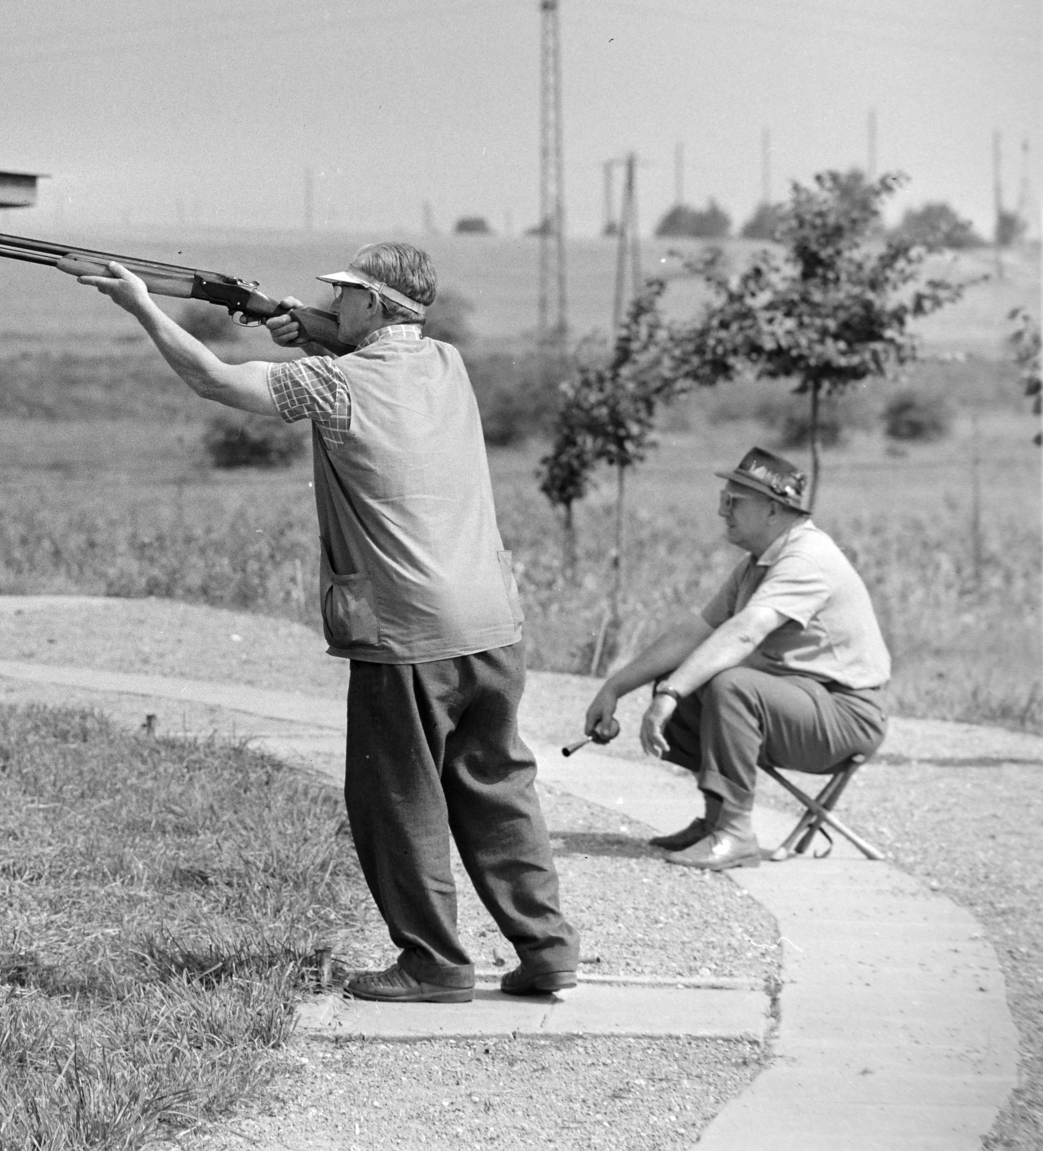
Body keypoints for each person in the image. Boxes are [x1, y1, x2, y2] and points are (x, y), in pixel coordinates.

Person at [78, 242, 579, 1003]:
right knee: (497, 790)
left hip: (408, 632)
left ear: (374, 305)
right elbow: (371, 353)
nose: (336, 302)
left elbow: (213, 379)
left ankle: (433, 964)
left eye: (347, 295)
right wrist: (296, 323)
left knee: (397, 801)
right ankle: (546, 950)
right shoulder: (448, 364)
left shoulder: (335, 383)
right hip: (492, 622)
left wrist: (139, 303)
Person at [583, 447, 890, 871]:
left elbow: (746, 631)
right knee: (688, 679)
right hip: (803, 702)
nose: (722, 510)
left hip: (847, 716)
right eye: (723, 499)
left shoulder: (807, 557)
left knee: (727, 685)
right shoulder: (758, 564)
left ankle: (735, 834)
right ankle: (715, 821)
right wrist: (614, 688)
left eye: (734, 501)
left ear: (773, 508)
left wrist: (670, 694)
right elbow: (696, 633)